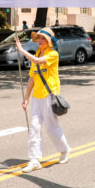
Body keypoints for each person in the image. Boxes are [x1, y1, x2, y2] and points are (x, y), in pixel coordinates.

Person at [16, 27, 71, 173]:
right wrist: (26, 98)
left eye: (43, 38)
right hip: (37, 97)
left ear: (49, 41)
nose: (40, 41)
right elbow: (32, 78)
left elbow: (38, 61)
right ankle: (34, 160)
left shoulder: (52, 54)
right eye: (38, 38)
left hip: (49, 95)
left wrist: (21, 50)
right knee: (34, 128)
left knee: (50, 127)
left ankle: (65, 150)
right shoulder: (36, 53)